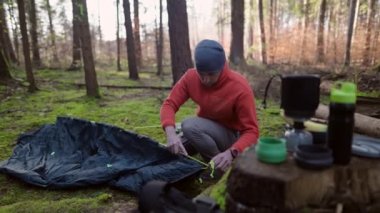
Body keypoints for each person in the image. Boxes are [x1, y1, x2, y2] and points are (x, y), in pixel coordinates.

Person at [160, 39, 259, 172]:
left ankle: (218, 167)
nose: (206, 80)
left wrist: (232, 152)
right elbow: (169, 104)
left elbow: (251, 131)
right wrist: (171, 134)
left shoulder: (239, 87)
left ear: (222, 67)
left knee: (189, 126)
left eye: (211, 74)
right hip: (204, 132)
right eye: (201, 74)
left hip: (231, 138)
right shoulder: (191, 77)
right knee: (172, 151)